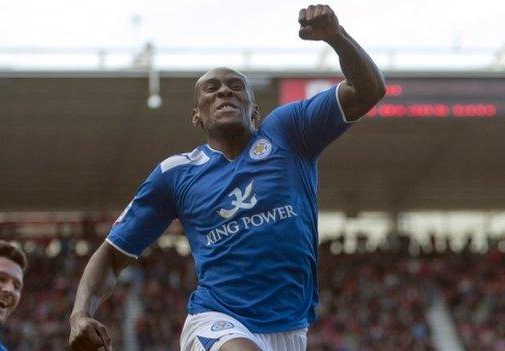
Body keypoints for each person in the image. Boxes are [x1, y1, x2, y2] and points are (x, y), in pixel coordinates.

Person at [69, 4, 385, 351]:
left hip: (291, 328)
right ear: (196, 116)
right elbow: (113, 254)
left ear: (254, 109)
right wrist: (79, 315)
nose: (224, 92)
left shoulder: (288, 133)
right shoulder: (175, 175)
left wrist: (336, 38)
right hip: (217, 319)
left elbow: (368, 91)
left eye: (235, 86)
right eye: (211, 88)